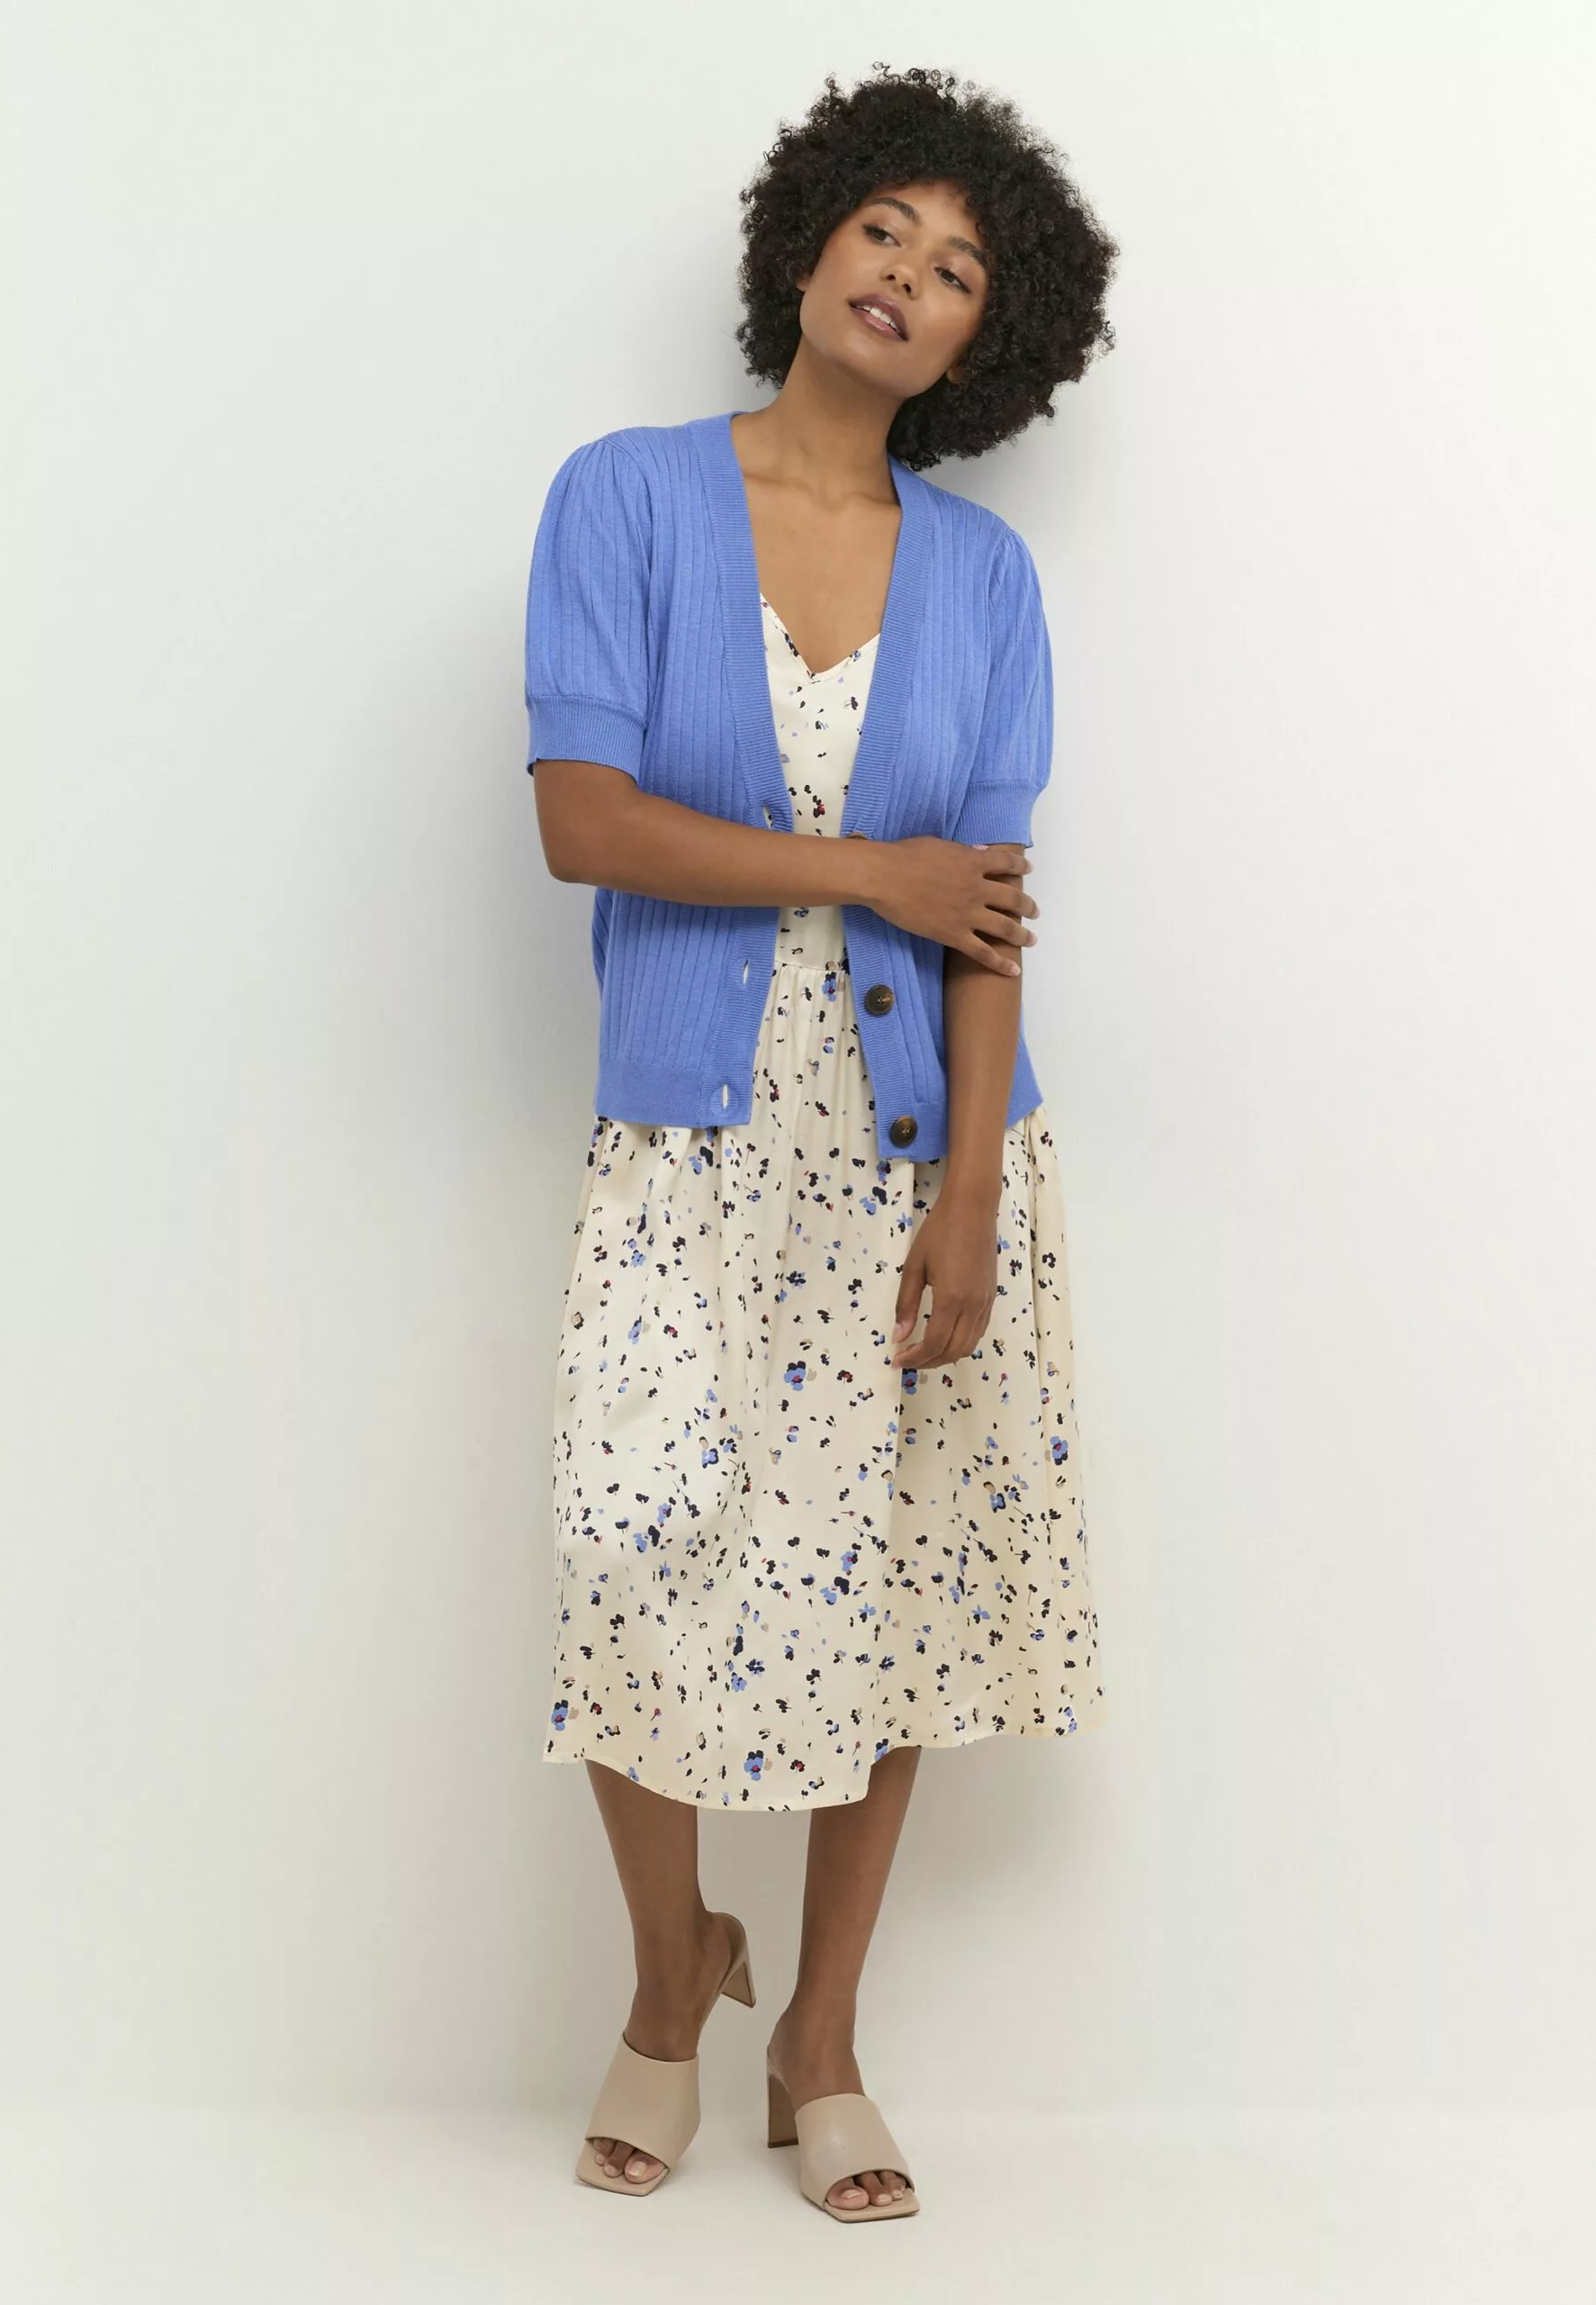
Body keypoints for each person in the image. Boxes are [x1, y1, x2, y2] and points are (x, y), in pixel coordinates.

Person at [523, 62, 1118, 2223]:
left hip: (914, 1157)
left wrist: (971, 1200)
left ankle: (823, 2039)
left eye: (958, 270)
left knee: (895, 1584)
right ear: (808, 241)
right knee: (633, 1553)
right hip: (691, 1148)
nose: (908, 276)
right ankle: (670, 1974)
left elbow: (989, 916)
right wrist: (869, 868)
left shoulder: (989, 581)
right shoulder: (623, 497)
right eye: (887, 228)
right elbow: (586, 821)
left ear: (984, 343)